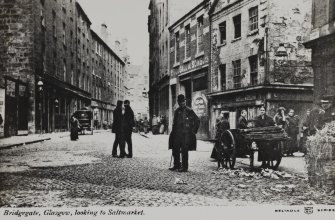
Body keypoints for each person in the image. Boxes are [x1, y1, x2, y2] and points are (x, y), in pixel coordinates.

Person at [169, 94, 200, 172]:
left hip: (186, 134)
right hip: (177, 134)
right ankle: (176, 165)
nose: (182, 103)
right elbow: (174, 123)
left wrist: (193, 131)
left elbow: (197, 120)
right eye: (180, 102)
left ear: (185, 101)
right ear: (178, 102)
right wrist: (172, 133)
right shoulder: (177, 111)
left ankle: (184, 167)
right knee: (175, 149)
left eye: (183, 101)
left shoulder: (189, 111)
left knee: (184, 150)